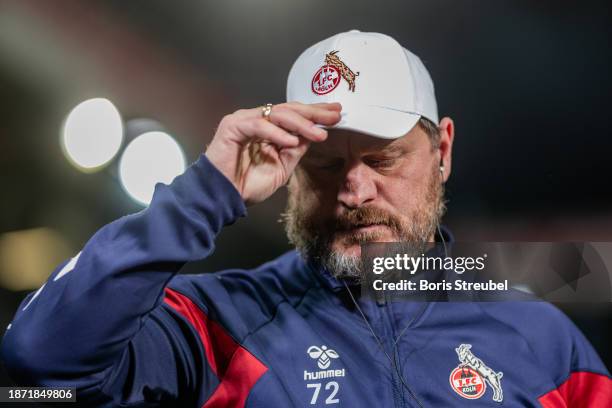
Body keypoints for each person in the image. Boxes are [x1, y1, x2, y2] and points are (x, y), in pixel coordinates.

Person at [1, 30, 610, 407]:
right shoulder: (218, 324)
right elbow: (37, 364)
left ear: (443, 152)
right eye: (323, 163)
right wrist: (202, 194)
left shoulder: (542, 339)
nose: (354, 188)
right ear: (289, 168)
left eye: (383, 158)